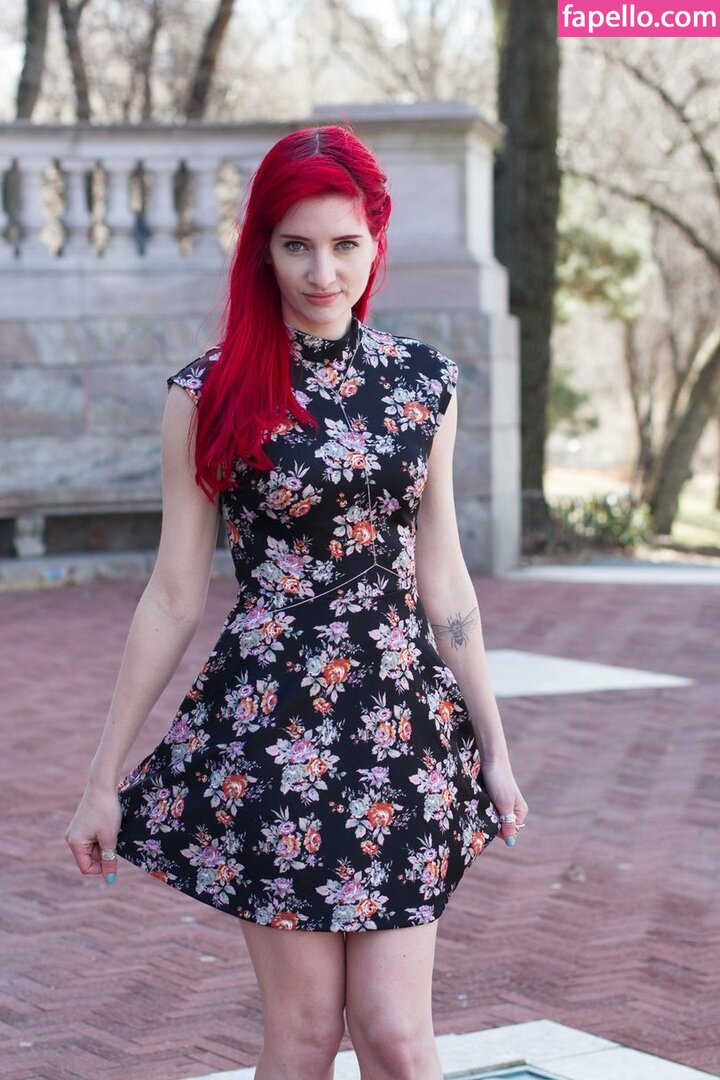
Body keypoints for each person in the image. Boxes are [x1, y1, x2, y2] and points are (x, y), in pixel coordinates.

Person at [65, 123, 529, 1080]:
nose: (323, 272)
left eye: (346, 244)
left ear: (376, 243)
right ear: (263, 249)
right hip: (274, 732)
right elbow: (173, 593)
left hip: (401, 726)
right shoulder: (210, 391)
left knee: (396, 1037)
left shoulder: (424, 384)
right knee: (307, 1035)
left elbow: (444, 577)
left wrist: (494, 746)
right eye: (297, 246)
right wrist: (103, 775)